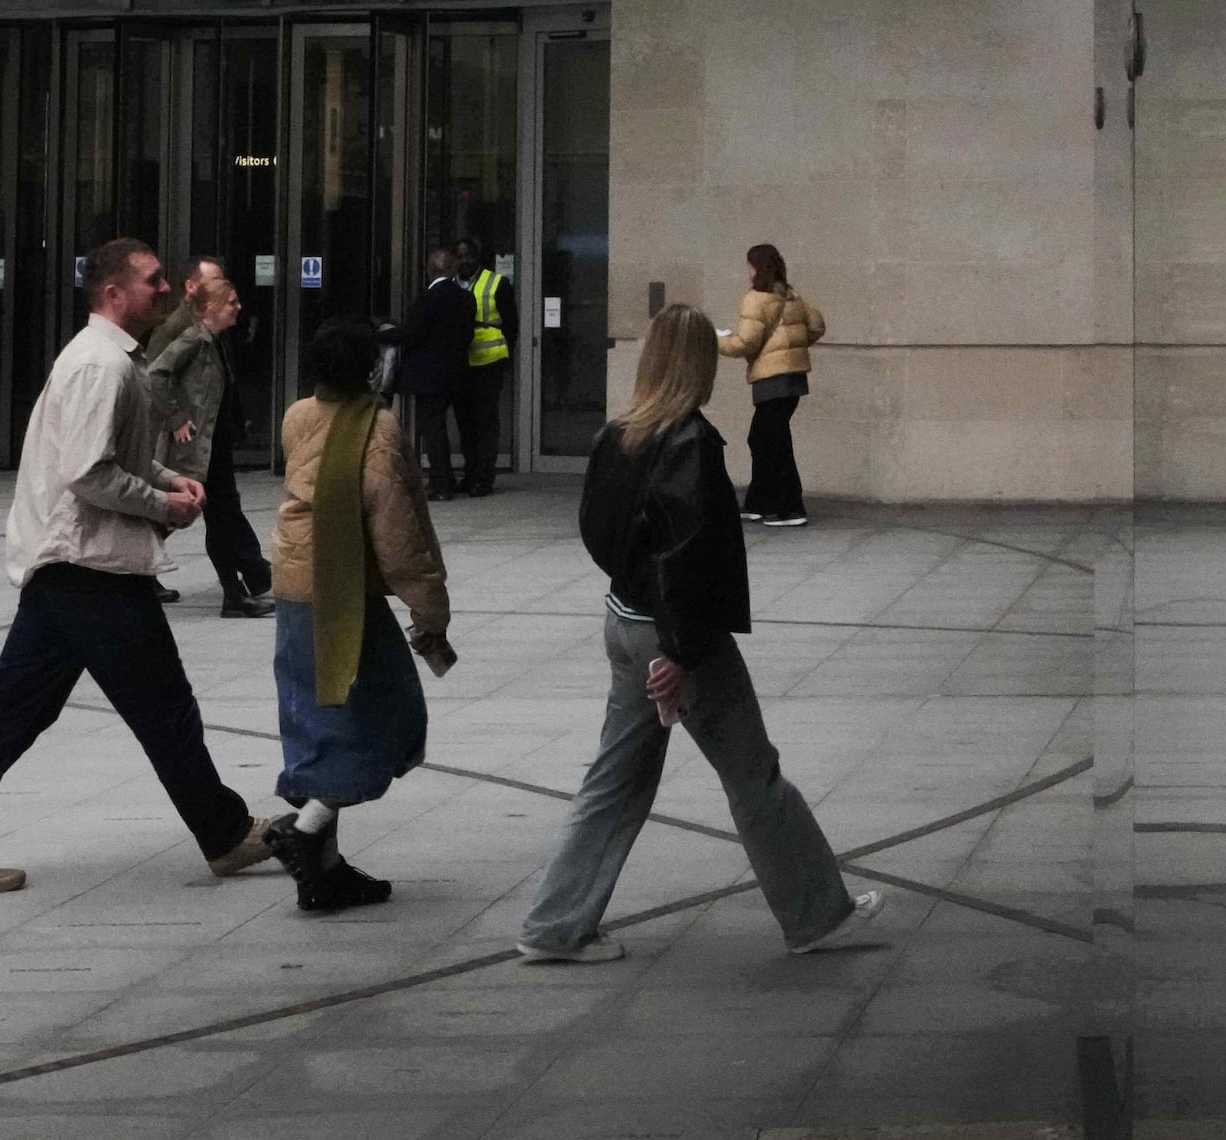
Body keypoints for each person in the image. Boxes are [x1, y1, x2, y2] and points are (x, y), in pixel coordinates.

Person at [0, 239, 282, 896]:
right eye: (154, 281)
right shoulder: (101, 367)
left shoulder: (112, 361)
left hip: (72, 572)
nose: (166, 291)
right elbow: (88, 472)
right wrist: (164, 501)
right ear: (113, 292)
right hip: (91, 571)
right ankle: (224, 834)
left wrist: (168, 481)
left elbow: (116, 455)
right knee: (165, 710)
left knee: (14, 714)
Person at [517, 304, 879, 962]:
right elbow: (689, 560)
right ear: (699, 363)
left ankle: (555, 922)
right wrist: (679, 655)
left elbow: (599, 534)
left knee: (616, 779)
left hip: (625, 622)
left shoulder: (618, 435)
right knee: (753, 775)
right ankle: (818, 913)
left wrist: (638, 603)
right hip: (677, 636)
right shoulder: (691, 442)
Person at [265, 314, 461, 911]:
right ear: (372, 369)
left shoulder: (298, 414)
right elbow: (397, 533)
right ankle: (301, 834)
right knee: (379, 717)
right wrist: (431, 607)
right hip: (341, 593)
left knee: (322, 720)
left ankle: (324, 874)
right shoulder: (377, 430)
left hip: (297, 585)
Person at [145, 257, 272, 618]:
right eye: (231, 302)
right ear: (210, 305)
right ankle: (243, 586)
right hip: (196, 446)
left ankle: (238, 591)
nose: (238, 308)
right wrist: (176, 418)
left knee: (219, 516)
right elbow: (155, 375)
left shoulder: (212, 337)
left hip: (212, 442)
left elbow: (219, 387)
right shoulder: (188, 335)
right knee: (192, 514)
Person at [717, 242, 825, 526]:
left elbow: (745, 342)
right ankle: (759, 503)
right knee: (764, 438)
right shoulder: (791, 295)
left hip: (771, 380)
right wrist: (793, 348)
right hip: (794, 379)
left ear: (755, 267)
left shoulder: (755, 298)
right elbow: (816, 326)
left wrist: (715, 339)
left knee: (772, 442)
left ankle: (789, 508)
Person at [391, 246, 472, 500]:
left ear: (431, 269)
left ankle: (440, 482)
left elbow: (412, 334)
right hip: (457, 373)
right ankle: (461, 476)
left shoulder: (428, 298)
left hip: (429, 376)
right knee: (462, 426)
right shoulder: (466, 298)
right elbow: (466, 335)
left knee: (434, 430)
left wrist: (383, 333)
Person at [451, 237, 513, 498]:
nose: (465, 261)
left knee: (485, 421)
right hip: (461, 363)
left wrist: (508, 358)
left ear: (478, 258)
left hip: (489, 362)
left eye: (470, 256)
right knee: (465, 422)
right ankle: (470, 472)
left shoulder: (496, 282)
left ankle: (484, 478)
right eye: (460, 256)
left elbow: (511, 323)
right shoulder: (450, 285)